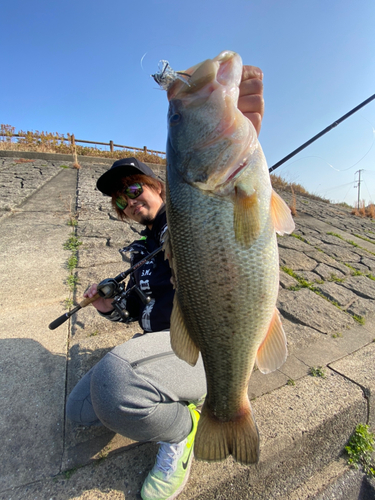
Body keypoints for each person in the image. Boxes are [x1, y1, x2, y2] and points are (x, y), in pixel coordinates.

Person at [66, 65, 264, 500]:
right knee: (79, 410)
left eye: (134, 190)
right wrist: (109, 306)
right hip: (162, 345)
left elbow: (214, 221)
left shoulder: (183, 215)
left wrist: (223, 120)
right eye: (120, 202)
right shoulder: (138, 253)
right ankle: (159, 391)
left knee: (113, 384)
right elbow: (138, 309)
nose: (128, 203)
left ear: (158, 185)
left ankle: (183, 429)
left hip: (201, 349)